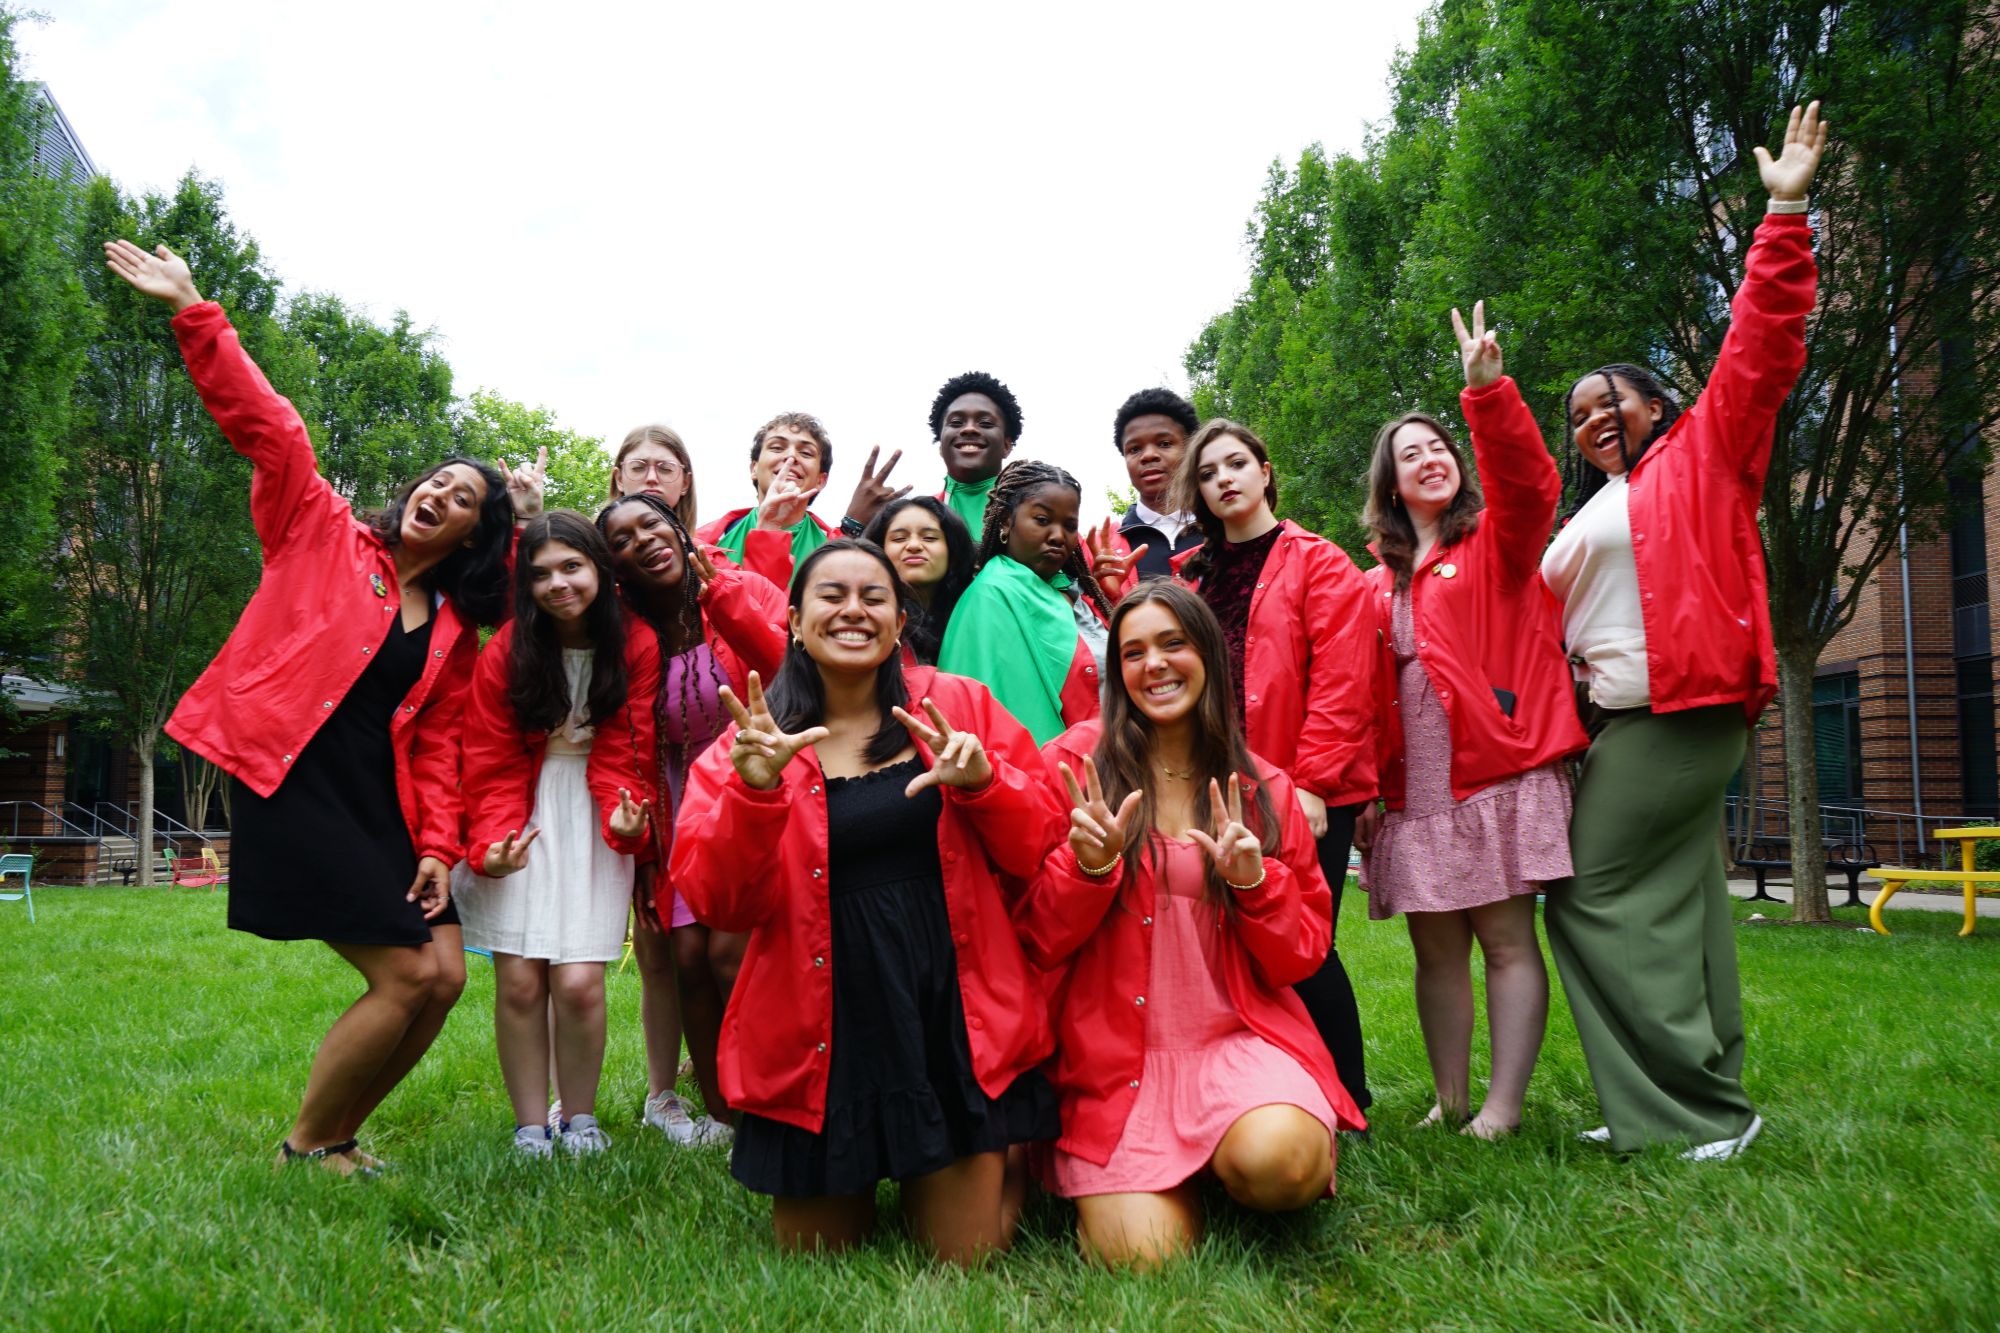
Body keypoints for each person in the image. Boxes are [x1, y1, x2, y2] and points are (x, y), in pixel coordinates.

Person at [103, 239, 515, 1176]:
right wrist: (196, 312)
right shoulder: (320, 530)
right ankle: (308, 1142)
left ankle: (341, 1133)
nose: (440, 495)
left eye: (464, 500)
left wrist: (439, 846)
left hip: (383, 801)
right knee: (407, 971)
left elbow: (444, 743)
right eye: (436, 482)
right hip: (294, 777)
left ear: (472, 535)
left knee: (446, 978)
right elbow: (273, 429)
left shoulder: (453, 625)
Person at [1539, 103, 1826, 1161]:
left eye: (1605, 399)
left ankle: (1687, 1110)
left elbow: (1759, 347)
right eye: (1572, 413)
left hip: (1682, 709)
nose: (1589, 419)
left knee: (1582, 887)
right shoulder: (1590, 511)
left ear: (1657, 404)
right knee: (1684, 897)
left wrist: (1782, 212)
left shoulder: (1703, 457)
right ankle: (1687, 1094)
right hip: (1615, 721)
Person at [670, 540, 1062, 1264]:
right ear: (792, 619)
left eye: (873, 596)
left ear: (899, 620)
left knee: (964, 1255)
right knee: (817, 1258)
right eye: (831, 594)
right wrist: (753, 791)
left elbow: (1038, 841)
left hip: (946, 1005)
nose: (853, 609)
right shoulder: (747, 741)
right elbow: (718, 899)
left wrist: (984, 784)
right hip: (823, 1018)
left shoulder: (956, 703)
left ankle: (1005, 1152)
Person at [1018, 583, 1364, 1267]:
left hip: (1237, 1041)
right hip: (1114, 1062)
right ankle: (1166, 1172)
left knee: (1283, 1166)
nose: (1156, 664)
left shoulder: (1264, 786)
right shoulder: (1071, 767)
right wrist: (1087, 871)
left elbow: (1301, 957)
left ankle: (1235, 1144)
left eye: (1173, 642)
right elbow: (1034, 939)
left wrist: (1253, 884)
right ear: (1115, 671)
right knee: (1145, 1258)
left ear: (1207, 651)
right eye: (1134, 651)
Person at [1354, 303, 1586, 1138]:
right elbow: (1361, 693)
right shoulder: (1373, 582)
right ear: (1389, 485)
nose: (1430, 460)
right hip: (1415, 790)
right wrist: (1370, 788)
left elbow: (1531, 483)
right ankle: (1449, 1099)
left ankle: (1502, 1107)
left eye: (1439, 447)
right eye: (1410, 453)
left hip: (1496, 767)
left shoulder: (1497, 540)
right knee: (1436, 950)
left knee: (1506, 939)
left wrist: (1485, 397)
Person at [1170, 422, 1378, 1117]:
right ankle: (1272, 1085)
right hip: (1217, 782)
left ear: (1265, 471)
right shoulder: (1192, 573)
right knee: (1237, 942)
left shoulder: (1318, 561)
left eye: (1238, 463)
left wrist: (1313, 782)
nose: (1224, 478)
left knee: (1303, 944)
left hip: (1302, 781)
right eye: (1209, 472)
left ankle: (1350, 1096)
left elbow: (1345, 682)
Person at [458, 511, 658, 1157]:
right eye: (541, 573)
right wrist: (491, 842)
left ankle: (580, 1118)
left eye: (572, 566)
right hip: (523, 812)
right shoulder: (506, 650)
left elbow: (632, 749)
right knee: (519, 981)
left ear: (599, 566)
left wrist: (628, 821)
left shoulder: (637, 643)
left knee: (577, 982)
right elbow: (487, 759)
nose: (558, 584)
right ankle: (529, 1127)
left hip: (597, 811)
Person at [598, 493, 787, 1147]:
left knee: (737, 952)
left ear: (678, 528)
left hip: (758, 793)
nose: (641, 540)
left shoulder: (743, 588)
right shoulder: (626, 635)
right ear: (614, 567)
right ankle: (722, 1111)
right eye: (621, 539)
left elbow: (790, 671)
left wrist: (729, 599)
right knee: (688, 955)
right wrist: (646, 847)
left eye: (651, 523)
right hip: (681, 810)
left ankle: (773, 1094)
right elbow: (625, 742)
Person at [938, 461, 1115, 745]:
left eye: (1069, 525)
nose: (1058, 536)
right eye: (1042, 520)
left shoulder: (1076, 592)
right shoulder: (992, 595)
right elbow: (1010, 730)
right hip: (1064, 776)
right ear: (1007, 521)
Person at [696, 414, 909, 586]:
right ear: (754, 469)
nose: (791, 458)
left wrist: (856, 528)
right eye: (777, 448)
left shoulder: (836, 545)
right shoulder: (707, 543)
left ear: (820, 480)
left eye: (806, 453)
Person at [1090, 388, 1204, 591]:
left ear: (1190, 450)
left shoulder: (1225, 531)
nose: (1148, 455)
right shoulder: (1102, 550)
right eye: (1135, 449)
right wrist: (1105, 596)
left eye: (1164, 443)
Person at [861, 496, 975, 664]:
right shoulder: (867, 618)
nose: (914, 545)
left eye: (929, 538)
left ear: (952, 552)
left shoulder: (973, 611)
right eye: (899, 538)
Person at [930, 371, 1019, 536]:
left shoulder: (1034, 513)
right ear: (941, 446)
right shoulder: (918, 515)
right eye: (956, 422)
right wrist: (865, 521)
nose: (969, 428)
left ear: (1007, 446)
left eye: (985, 423)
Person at [607, 423, 699, 530]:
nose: (651, 478)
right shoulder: (588, 545)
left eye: (666, 469)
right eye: (638, 467)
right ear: (619, 479)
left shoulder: (701, 547)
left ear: (685, 483)